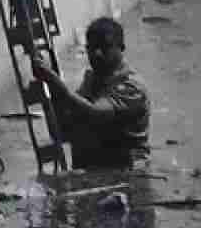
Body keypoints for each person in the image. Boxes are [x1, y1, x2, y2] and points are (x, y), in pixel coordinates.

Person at [32, 17, 150, 170]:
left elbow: (94, 113)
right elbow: (66, 128)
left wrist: (54, 82)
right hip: (95, 170)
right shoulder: (92, 79)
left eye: (104, 47)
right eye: (92, 48)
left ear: (121, 47)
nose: (97, 54)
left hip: (126, 173)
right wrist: (52, 91)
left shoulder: (132, 86)